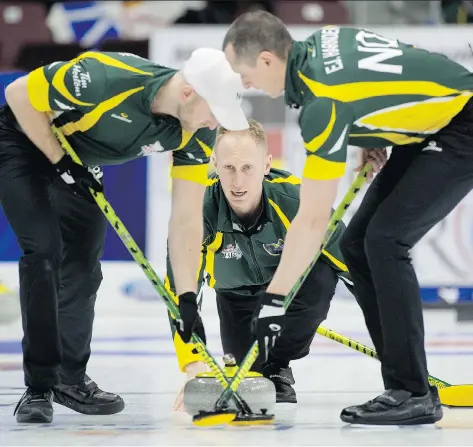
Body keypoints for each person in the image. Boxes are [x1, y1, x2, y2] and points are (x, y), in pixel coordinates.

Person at [221, 11, 473, 425]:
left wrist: (273, 300)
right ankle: (403, 386)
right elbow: (394, 67)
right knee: (357, 245)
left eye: (243, 73)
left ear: (267, 60)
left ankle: (412, 391)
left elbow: (313, 220)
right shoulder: (326, 40)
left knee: (386, 241)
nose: (245, 85)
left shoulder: (321, 105)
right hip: (433, 123)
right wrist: (376, 133)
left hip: (459, 125)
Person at [2, 47, 247, 423]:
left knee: (84, 266)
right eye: (213, 111)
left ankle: (69, 380)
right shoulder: (104, 76)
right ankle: (38, 387)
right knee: (46, 253)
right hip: (22, 140)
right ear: (187, 93)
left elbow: (185, 220)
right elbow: (18, 93)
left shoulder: (194, 134)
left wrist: (186, 297)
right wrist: (61, 160)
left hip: (77, 164)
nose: (214, 124)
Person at [165, 119, 385, 410]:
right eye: (228, 168)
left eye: (247, 168)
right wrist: (192, 363)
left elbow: (357, 271)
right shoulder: (198, 209)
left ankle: (278, 364)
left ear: (266, 165)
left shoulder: (296, 201)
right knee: (249, 376)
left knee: (320, 273)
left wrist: (394, 346)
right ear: (215, 164)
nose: (238, 182)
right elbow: (179, 288)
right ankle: (265, 369)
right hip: (236, 298)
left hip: (290, 294)